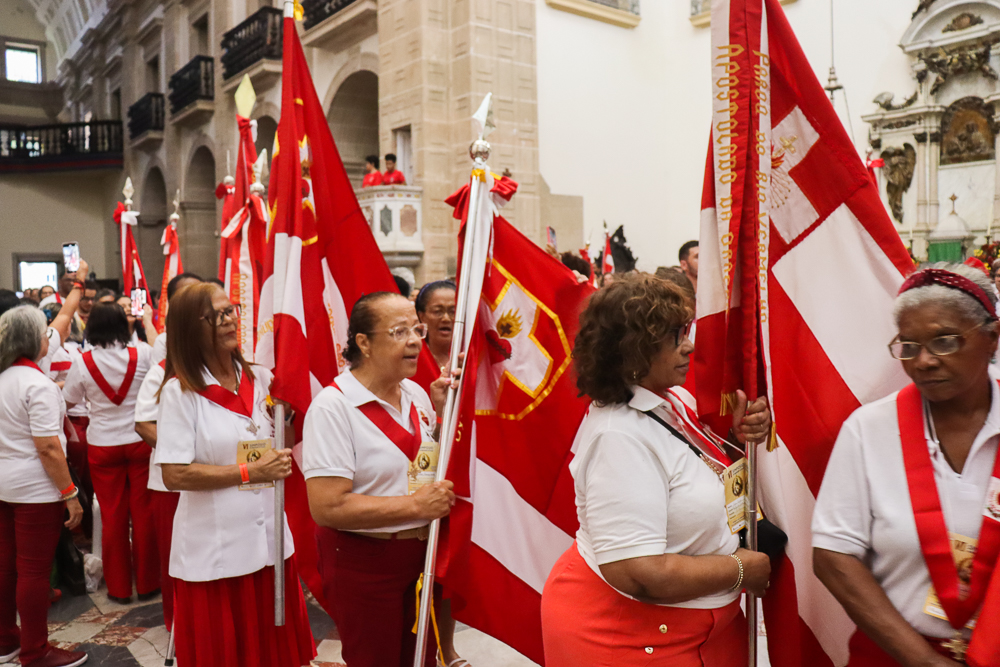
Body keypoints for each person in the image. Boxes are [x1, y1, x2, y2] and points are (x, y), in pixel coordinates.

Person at [541, 273, 772, 666]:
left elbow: (696, 471)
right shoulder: (618, 436)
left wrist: (739, 434)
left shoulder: (670, 401)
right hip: (630, 636)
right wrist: (739, 568)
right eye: (675, 337)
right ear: (634, 349)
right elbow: (639, 572)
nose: (689, 346)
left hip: (702, 628)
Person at [813, 263, 1000, 666]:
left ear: (992, 337)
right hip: (895, 657)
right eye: (909, 346)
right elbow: (834, 555)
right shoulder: (869, 429)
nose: (924, 361)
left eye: (944, 341)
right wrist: (925, 661)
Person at [155, 283, 315, 667]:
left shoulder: (261, 379)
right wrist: (249, 471)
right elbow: (175, 474)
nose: (230, 321)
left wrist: (288, 419)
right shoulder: (180, 393)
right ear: (192, 327)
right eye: (217, 315)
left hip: (269, 538)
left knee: (273, 651)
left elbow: (281, 437)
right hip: (217, 549)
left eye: (232, 311)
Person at [303, 291, 458, 667]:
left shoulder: (416, 394)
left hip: (420, 558)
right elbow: (327, 506)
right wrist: (416, 506)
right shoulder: (333, 407)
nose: (415, 341)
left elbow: (419, 465)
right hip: (365, 563)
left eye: (417, 330)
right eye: (400, 331)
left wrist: (441, 417)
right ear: (364, 343)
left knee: (420, 659)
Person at [0, 306, 87, 667]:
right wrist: (70, 494)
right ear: (31, 340)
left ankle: (5, 641)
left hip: (4, 483)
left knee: (6, 566)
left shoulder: (4, 378)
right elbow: (49, 447)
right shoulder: (38, 385)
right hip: (36, 489)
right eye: (43, 333)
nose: (46, 338)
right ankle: (35, 651)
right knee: (34, 571)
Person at [62, 303, 157, 604]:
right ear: (123, 325)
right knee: (144, 513)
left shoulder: (82, 361)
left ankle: (119, 588)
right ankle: (148, 582)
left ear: (91, 327)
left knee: (112, 516)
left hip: (103, 444)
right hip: (140, 439)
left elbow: (68, 400)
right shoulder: (143, 354)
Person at [133, 353, 175, 628]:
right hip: (169, 482)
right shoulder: (161, 372)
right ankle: (178, 622)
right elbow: (143, 424)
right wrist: (183, 451)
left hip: (218, 477)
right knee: (173, 555)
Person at [152, 272, 202, 364]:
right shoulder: (165, 341)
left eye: (201, 292)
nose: (196, 298)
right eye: (189, 293)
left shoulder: (217, 335)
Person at [415, 281, 456, 369]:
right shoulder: (412, 356)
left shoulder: (473, 359)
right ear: (422, 316)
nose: (446, 318)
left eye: (453, 311)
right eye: (437, 311)